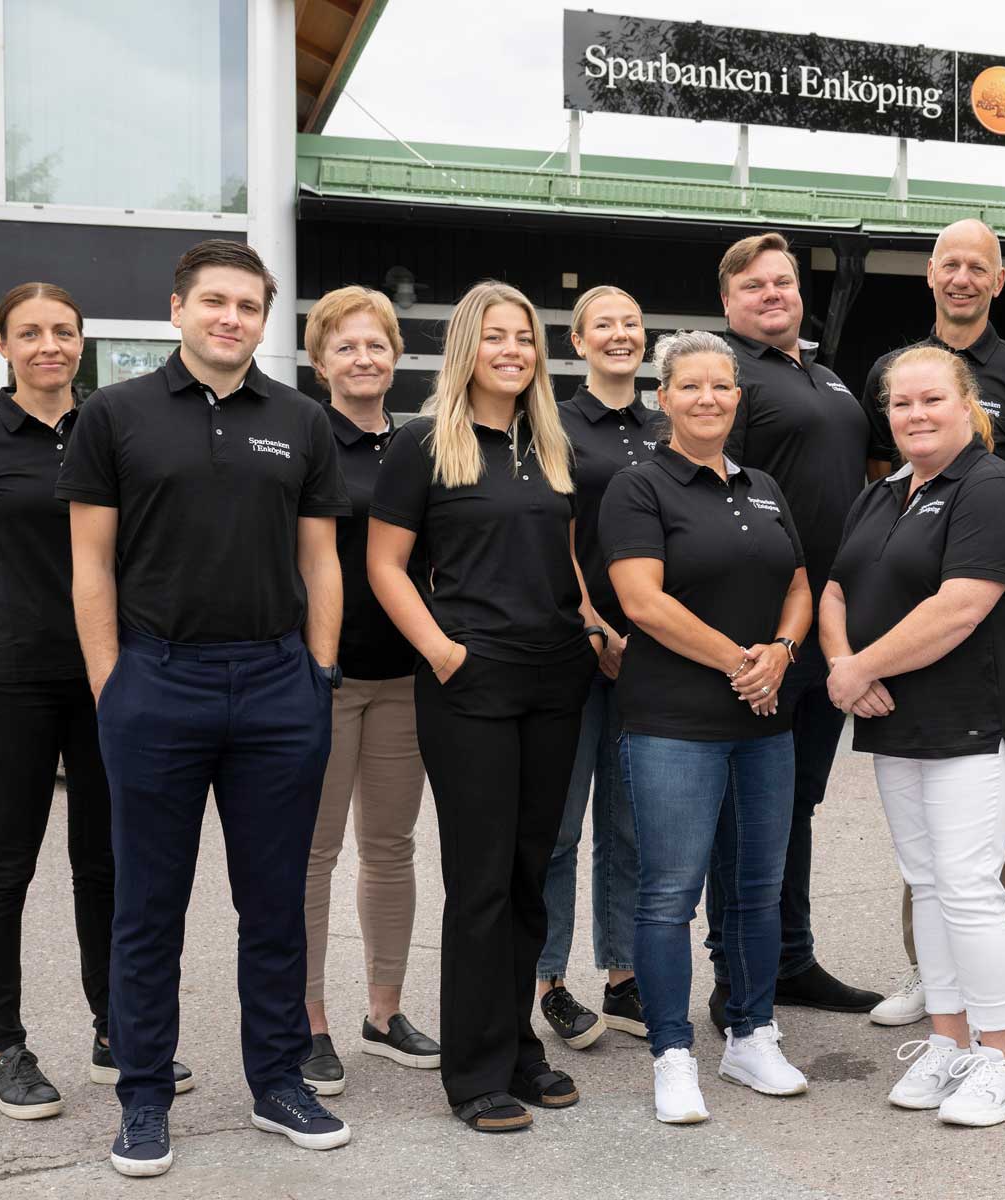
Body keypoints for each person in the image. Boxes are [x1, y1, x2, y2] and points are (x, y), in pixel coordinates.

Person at [58, 241, 351, 1176]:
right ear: (177, 309)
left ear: (265, 319)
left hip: (277, 685)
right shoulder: (116, 415)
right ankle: (143, 1096)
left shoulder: (301, 421)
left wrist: (318, 672)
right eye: (214, 302)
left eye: (249, 306)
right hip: (158, 681)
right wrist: (113, 681)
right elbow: (90, 561)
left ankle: (278, 1081)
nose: (232, 318)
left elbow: (320, 561)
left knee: (273, 903)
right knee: (149, 906)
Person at [0, 283, 192, 1122]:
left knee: (106, 863)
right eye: (30, 332)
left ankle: (117, 1029)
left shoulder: (112, 428)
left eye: (63, 331)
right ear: (3, 345)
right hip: (10, 685)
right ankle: (1, 1046)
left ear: (83, 342)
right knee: (9, 864)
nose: (49, 345)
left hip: (111, 679)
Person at [367, 281, 601, 1134]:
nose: (514, 350)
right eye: (496, 336)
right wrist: (439, 650)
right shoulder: (424, 443)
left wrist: (591, 622)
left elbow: (561, 556)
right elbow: (386, 565)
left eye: (526, 338)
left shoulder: (550, 445)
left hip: (552, 678)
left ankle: (518, 1050)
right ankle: (473, 1073)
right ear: (467, 346)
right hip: (469, 681)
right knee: (479, 880)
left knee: (529, 872)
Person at [822, 346, 1005, 1128]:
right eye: (901, 404)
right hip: (896, 718)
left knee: (969, 885)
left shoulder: (992, 488)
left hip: (974, 718)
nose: (915, 415)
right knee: (928, 881)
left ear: (967, 405)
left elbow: (961, 607)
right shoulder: (884, 491)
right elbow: (837, 586)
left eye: (931, 400)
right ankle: (949, 1042)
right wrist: (846, 662)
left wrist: (858, 670)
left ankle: (1003, 1058)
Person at [600, 330, 816, 1124]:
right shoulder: (639, 487)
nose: (708, 399)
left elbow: (798, 580)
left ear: (737, 396)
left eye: (721, 387)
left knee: (756, 892)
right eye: (690, 387)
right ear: (664, 398)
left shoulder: (762, 484)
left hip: (765, 723)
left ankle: (751, 1035)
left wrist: (785, 649)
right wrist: (742, 662)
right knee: (668, 895)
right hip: (674, 724)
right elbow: (642, 602)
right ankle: (672, 1053)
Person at [859, 219, 1005, 1027]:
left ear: (999, 280)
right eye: (950, 263)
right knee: (924, 839)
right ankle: (931, 975)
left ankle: (990, 1000)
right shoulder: (893, 369)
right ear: (930, 274)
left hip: (987, 616)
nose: (963, 277)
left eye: (979, 266)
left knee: (978, 845)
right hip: (910, 622)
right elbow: (887, 483)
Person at [710, 232, 882, 1024]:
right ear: (728, 302)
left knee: (795, 804)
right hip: (765, 630)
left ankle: (790, 958)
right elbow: (720, 495)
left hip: (830, 631)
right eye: (755, 285)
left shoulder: (831, 380)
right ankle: (734, 971)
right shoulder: (729, 379)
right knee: (748, 808)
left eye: (783, 281)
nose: (773, 293)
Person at [295, 286, 441, 1096]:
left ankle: (383, 1012)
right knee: (312, 854)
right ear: (321, 363)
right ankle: (308, 1019)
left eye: (376, 345)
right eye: (346, 347)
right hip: (322, 677)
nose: (363, 359)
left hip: (403, 678)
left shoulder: (420, 444)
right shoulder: (304, 439)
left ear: (395, 357)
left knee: (390, 849)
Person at [538, 284, 661, 1050]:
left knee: (630, 825)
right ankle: (547, 978)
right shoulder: (553, 423)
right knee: (558, 824)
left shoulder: (667, 425)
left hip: (653, 653)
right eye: (604, 325)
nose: (620, 335)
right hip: (573, 645)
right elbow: (555, 531)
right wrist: (592, 622)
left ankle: (621, 975)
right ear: (578, 343)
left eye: (632, 323)